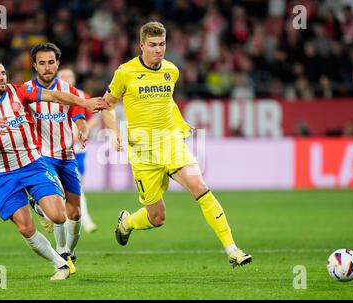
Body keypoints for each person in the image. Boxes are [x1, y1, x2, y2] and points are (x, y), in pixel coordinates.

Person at [101, 22, 252, 268]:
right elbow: (107, 104)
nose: (158, 49)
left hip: (170, 144)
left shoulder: (172, 70)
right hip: (142, 152)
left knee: (200, 187)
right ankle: (127, 223)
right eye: (152, 45)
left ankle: (232, 249)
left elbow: (166, 103)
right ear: (141, 45)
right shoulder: (125, 72)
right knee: (157, 217)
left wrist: (179, 126)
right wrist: (113, 132)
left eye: (161, 44)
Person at [0, 59, 106, 280]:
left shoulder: (20, 92)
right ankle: (60, 265)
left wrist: (83, 103)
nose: (1, 77)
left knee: (59, 217)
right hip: (3, 174)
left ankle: (38, 204)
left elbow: (54, 96)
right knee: (25, 228)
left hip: (32, 165)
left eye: (3, 72)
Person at [25, 43, 99, 270]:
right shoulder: (25, 91)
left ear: (57, 63)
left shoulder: (70, 91)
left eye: (51, 62)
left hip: (67, 156)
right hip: (40, 157)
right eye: (42, 63)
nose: (47, 67)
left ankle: (71, 250)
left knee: (74, 212)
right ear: (35, 65)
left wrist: (82, 130)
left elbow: (79, 116)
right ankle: (61, 251)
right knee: (56, 205)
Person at [57, 65, 99, 233]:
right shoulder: (52, 96)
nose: (67, 79)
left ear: (74, 79)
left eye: (69, 76)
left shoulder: (82, 96)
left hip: (77, 150)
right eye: (63, 76)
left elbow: (94, 117)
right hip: (55, 150)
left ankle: (79, 219)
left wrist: (84, 130)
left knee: (77, 186)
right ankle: (82, 220)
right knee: (62, 188)